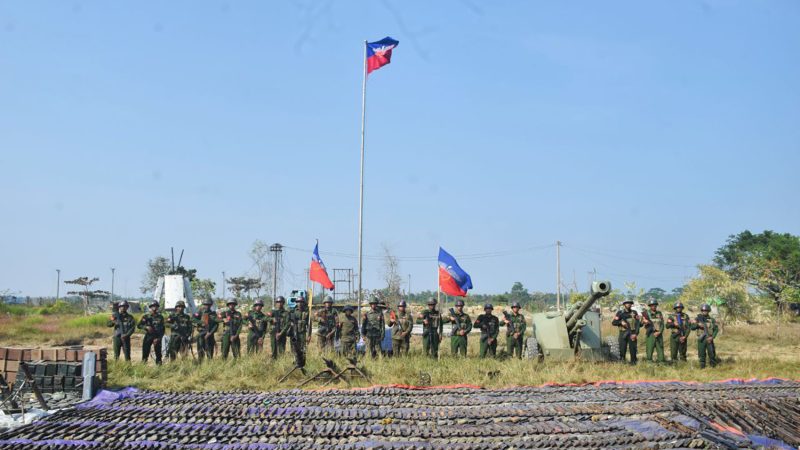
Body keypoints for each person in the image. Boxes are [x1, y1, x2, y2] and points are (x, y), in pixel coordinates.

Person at [612, 299, 640, 365]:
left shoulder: (634, 312)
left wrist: (636, 334)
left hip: (632, 333)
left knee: (633, 349)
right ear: (624, 304)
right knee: (622, 348)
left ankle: (633, 362)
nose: (628, 304)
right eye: (627, 303)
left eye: (630, 303)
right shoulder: (620, 313)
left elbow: (638, 324)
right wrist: (620, 322)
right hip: (623, 333)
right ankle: (622, 362)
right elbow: (613, 322)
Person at [691, 304, 719, 369]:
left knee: (712, 354)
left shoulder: (712, 320)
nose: (704, 312)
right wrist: (698, 325)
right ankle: (702, 367)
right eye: (703, 310)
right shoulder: (697, 319)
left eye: (706, 310)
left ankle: (713, 367)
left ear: (708, 311)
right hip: (701, 339)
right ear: (701, 311)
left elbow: (716, 329)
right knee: (701, 354)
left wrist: (712, 337)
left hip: (709, 338)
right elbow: (692, 327)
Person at [641, 298, 666, 363]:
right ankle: (649, 362)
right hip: (650, 334)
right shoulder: (646, 313)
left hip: (659, 334)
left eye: (655, 305)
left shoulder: (659, 313)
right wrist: (644, 321)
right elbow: (641, 323)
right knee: (649, 348)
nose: (654, 306)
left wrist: (659, 332)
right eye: (652, 305)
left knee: (660, 348)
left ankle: (661, 362)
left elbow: (662, 324)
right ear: (649, 306)